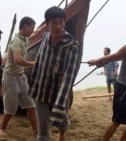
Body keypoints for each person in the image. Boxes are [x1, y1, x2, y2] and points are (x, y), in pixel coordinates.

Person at [29, 6, 79, 141]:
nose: (59, 26)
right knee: (43, 129)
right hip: (41, 89)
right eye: (54, 23)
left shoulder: (72, 46)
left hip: (59, 92)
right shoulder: (45, 37)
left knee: (61, 119)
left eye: (61, 22)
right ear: (47, 25)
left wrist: (60, 103)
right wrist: (33, 83)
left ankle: (62, 135)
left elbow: (69, 76)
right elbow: (39, 61)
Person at [0, 17, 37, 136]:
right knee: (10, 108)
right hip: (10, 77)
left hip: (21, 77)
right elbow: (18, 60)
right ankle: (2, 128)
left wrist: (45, 27)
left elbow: (35, 33)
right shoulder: (16, 41)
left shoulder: (25, 38)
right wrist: (33, 63)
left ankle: (36, 131)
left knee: (31, 105)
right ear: (25, 26)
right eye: (31, 27)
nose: (33, 30)